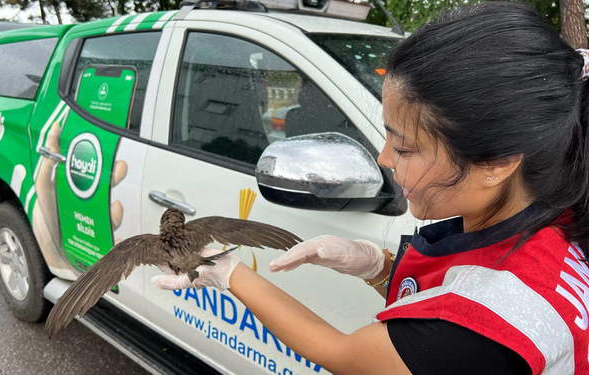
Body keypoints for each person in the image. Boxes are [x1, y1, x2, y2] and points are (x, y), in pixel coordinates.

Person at [151, 2, 589, 374]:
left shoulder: (489, 324)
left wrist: (229, 272)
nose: (383, 159)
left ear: (495, 164)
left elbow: (340, 353)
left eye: (404, 147)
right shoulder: (558, 218)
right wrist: (379, 268)